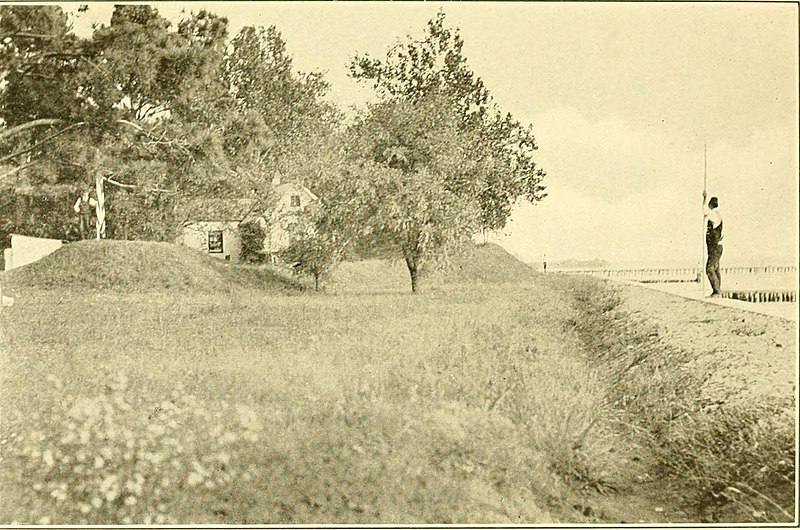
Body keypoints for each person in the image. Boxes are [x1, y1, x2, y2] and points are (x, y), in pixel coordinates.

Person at [703, 194, 723, 297]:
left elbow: (704, 211)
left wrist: (704, 198)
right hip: (716, 247)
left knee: (709, 269)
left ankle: (717, 292)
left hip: (715, 247)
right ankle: (718, 291)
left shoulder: (713, 215)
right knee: (715, 269)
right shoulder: (717, 215)